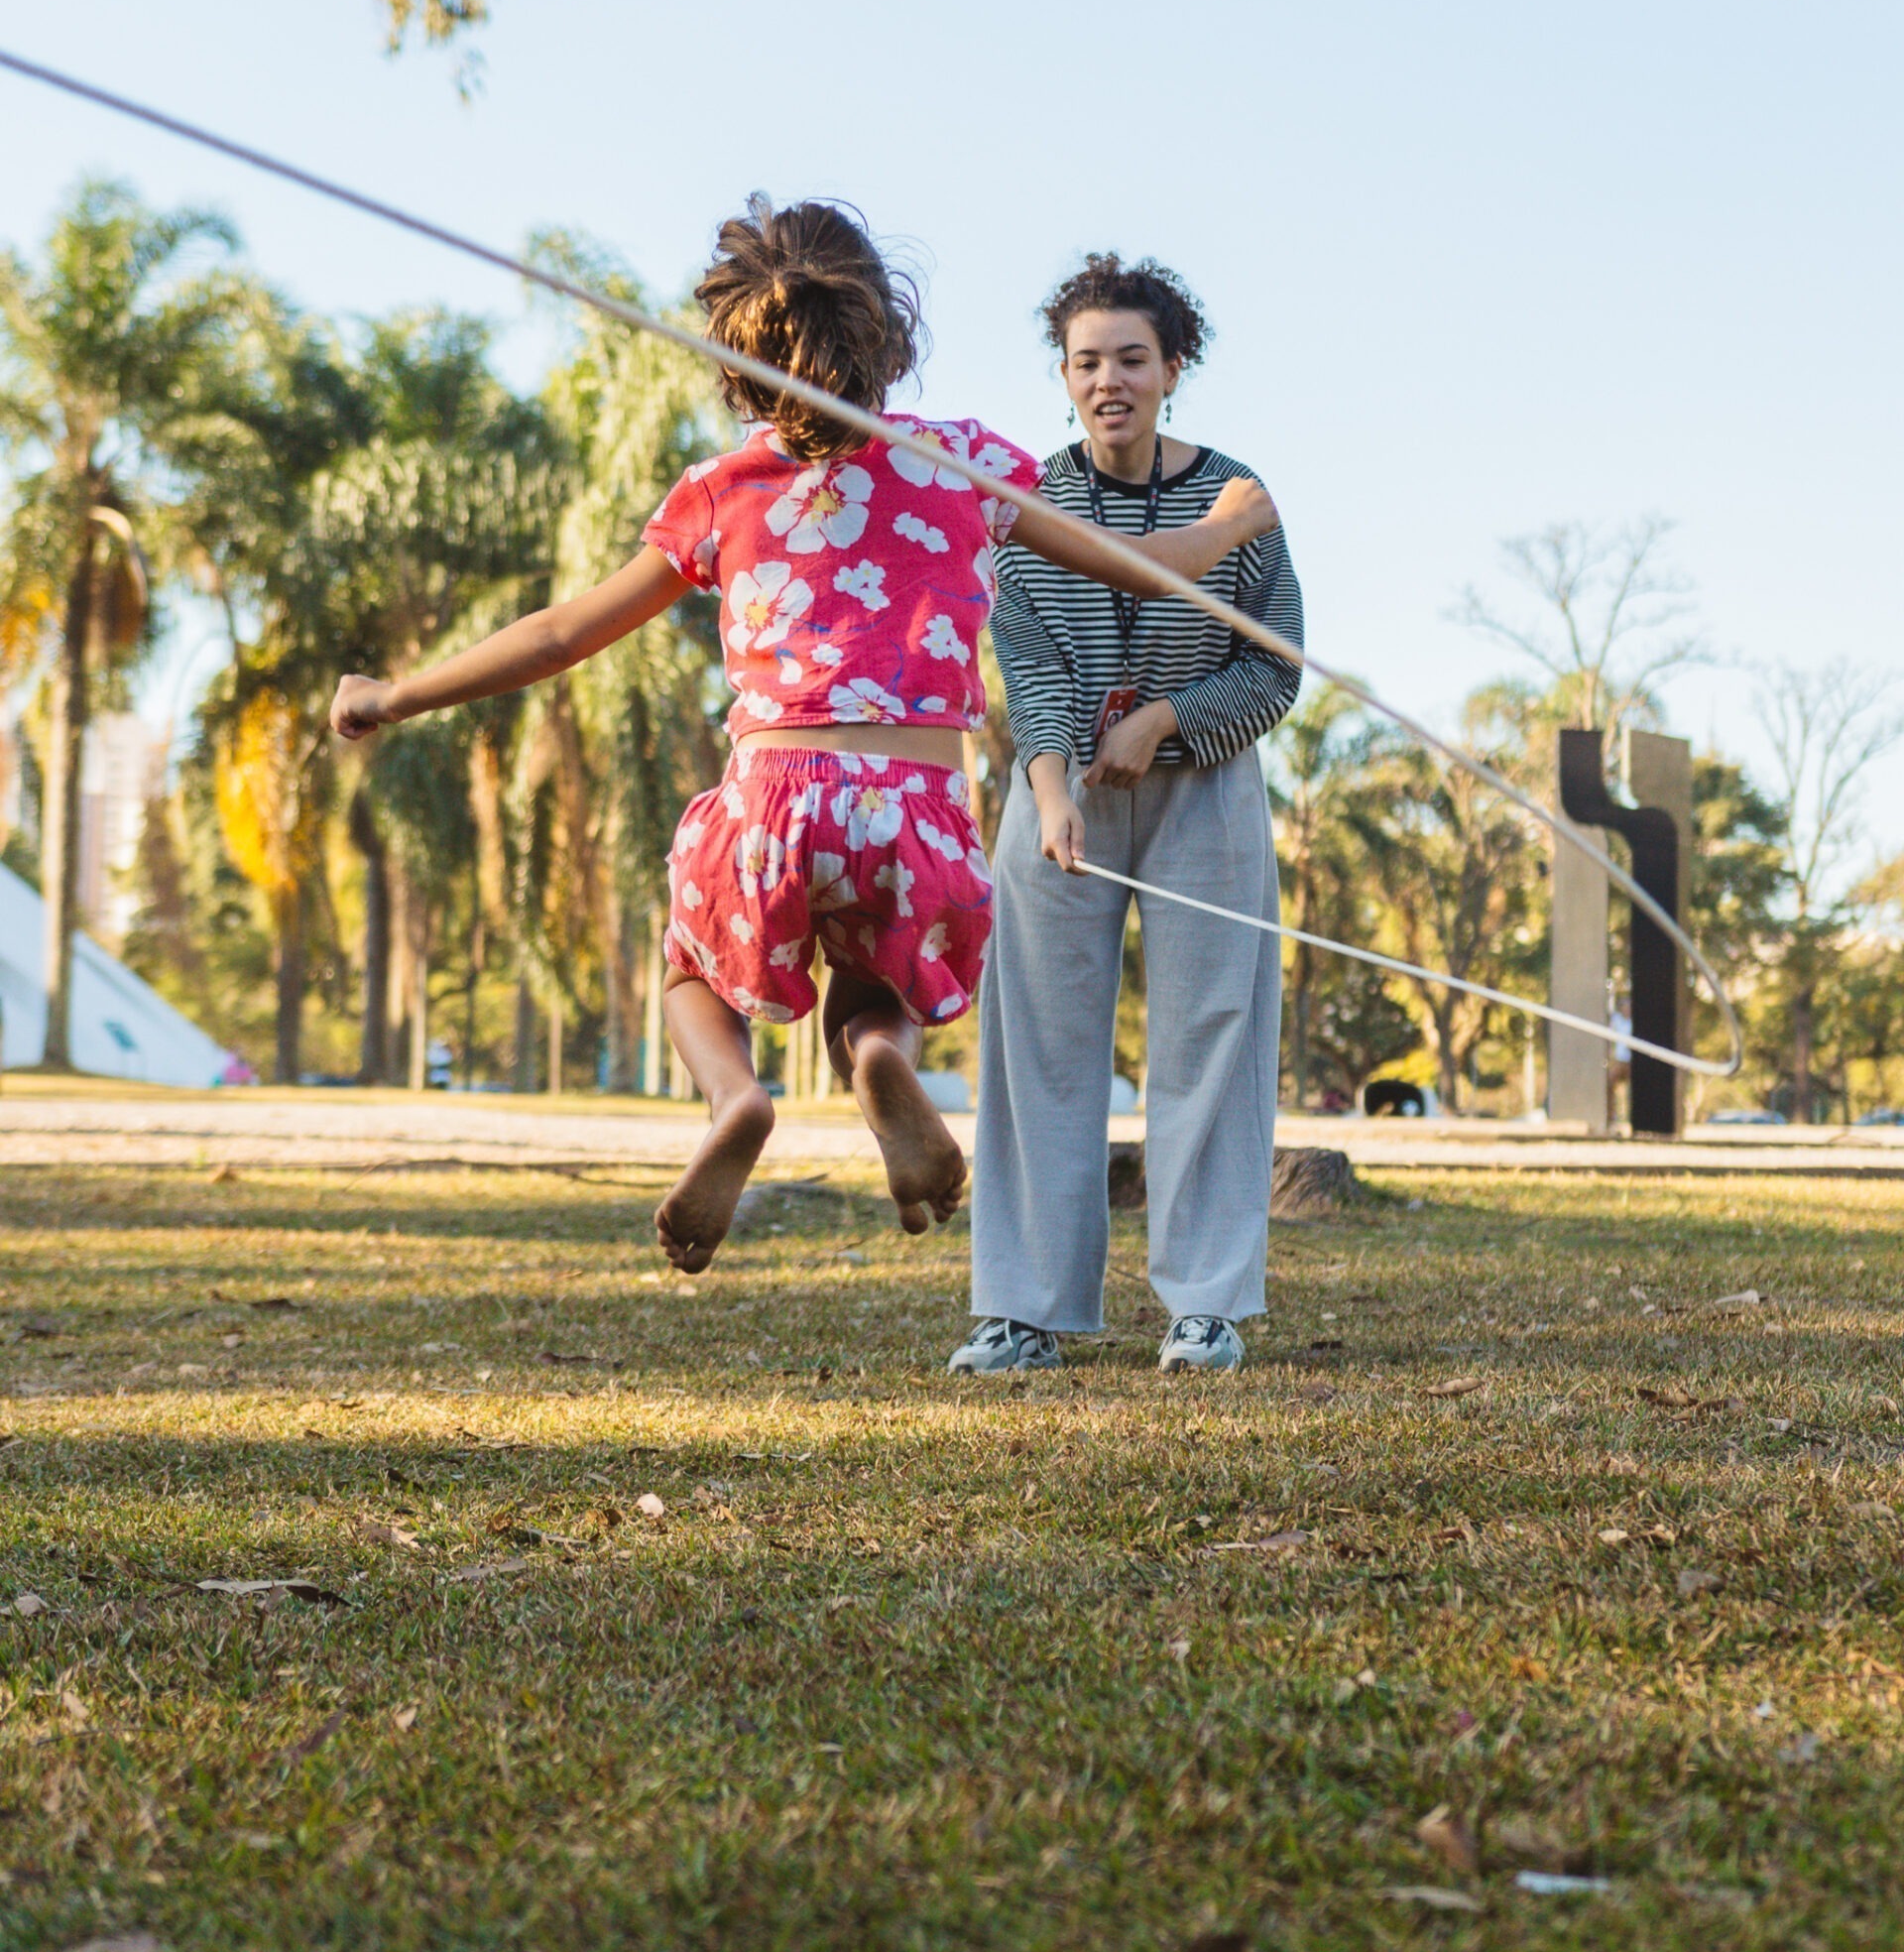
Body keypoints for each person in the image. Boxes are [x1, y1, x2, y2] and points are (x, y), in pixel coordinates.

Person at [329, 198, 1280, 1272]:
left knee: (692, 964)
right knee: (876, 989)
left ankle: (734, 1098)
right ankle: (882, 1064)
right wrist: (1234, 523)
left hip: (772, 794)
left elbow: (560, 635)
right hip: (914, 811)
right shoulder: (966, 464)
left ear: (739, 357)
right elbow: (1144, 563)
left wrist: (398, 694)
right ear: (888, 334)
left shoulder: (722, 489)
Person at [956, 253, 1304, 1376]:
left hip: (1203, 789)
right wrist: (1051, 787)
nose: (1109, 379)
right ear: (1063, 377)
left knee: (1214, 1033)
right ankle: (1025, 1309)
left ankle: (1206, 1305)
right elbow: (1031, 663)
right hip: (1062, 793)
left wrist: (1164, 719)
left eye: (1131, 359)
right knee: (1040, 1041)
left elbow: (1276, 667)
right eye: (1086, 361)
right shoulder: (1030, 501)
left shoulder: (1237, 497)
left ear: (1173, 368)